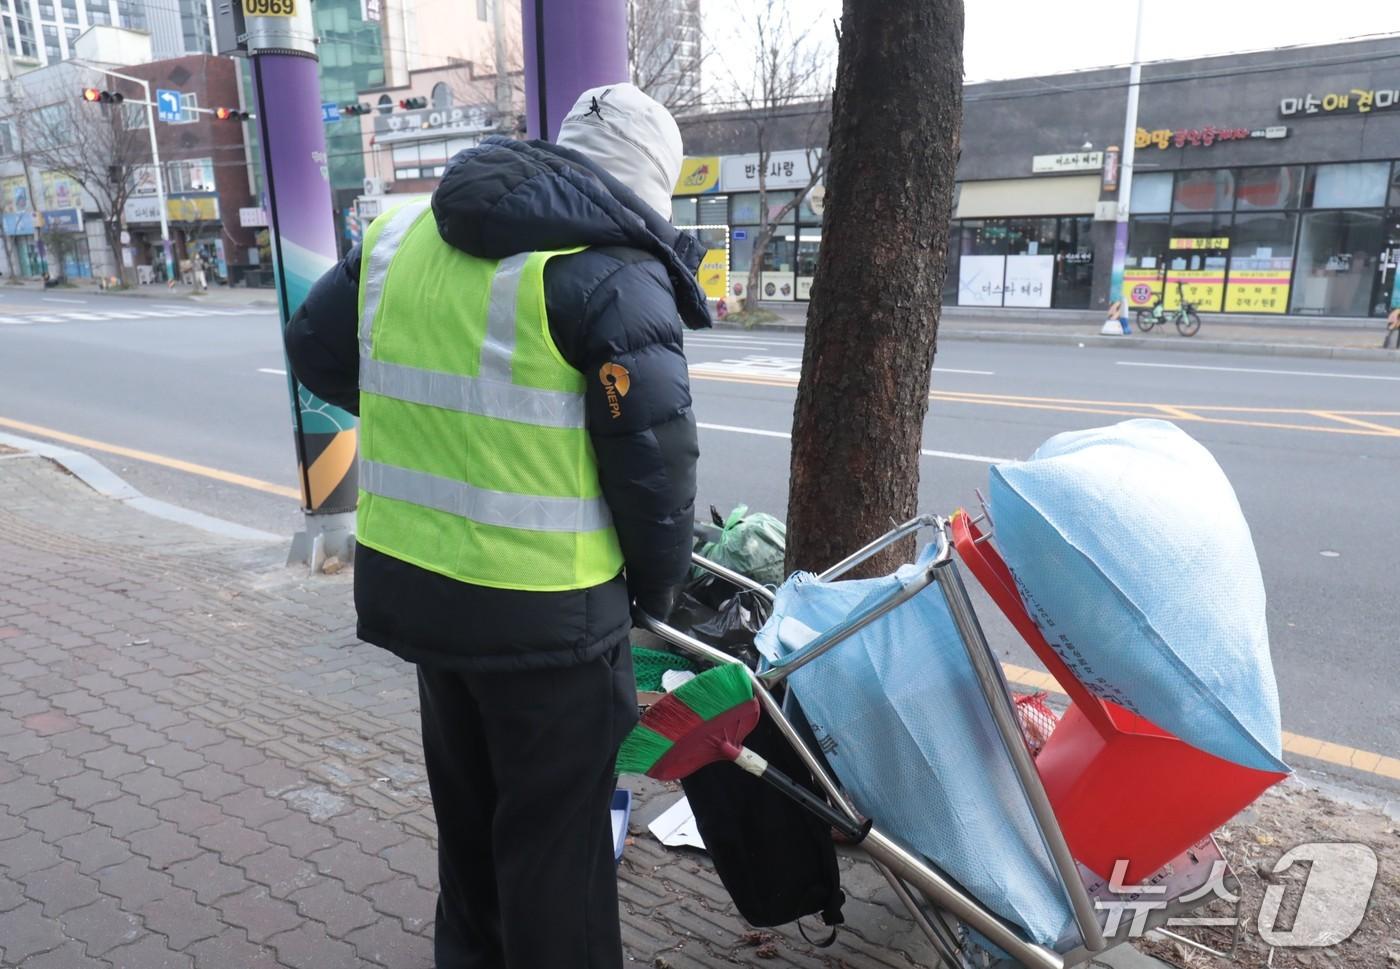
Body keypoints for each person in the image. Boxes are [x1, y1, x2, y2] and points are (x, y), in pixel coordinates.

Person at [284, 82, 709, 969]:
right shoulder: (614, 274)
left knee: (470, 827)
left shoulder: (400, 236)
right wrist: (657, 592)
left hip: (424, 593)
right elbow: (655, 474)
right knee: (557, 855)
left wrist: (429, 430)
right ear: (647, 186)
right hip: (551, 617)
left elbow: (313, 349)